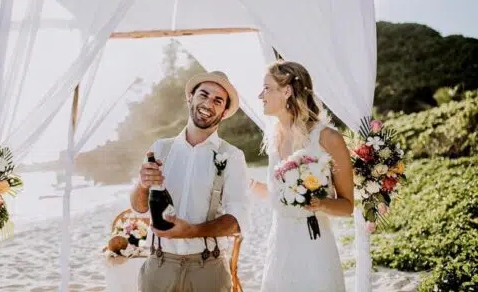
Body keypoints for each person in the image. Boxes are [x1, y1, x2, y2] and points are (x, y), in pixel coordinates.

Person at [130, 70, 250, 292]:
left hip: (208, 270)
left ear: (224, 112)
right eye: (203, 95)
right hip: (159, 266)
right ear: (190, 98)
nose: (208, 103)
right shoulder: (160, 148)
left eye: (217, 100)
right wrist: (142, 184)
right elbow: (138, 207)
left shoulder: (232, 156)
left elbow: (237, 220)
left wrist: (191, 231)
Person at [252, 60, 354, 291]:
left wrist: (317, 202)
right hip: (279, 245)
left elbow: (347, 206)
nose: (260, 95)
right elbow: (278, 196)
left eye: (266, 88)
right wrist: (247, 184)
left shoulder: (328, 139)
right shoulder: (273, 138)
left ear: (286, 91)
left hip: (314, 247)